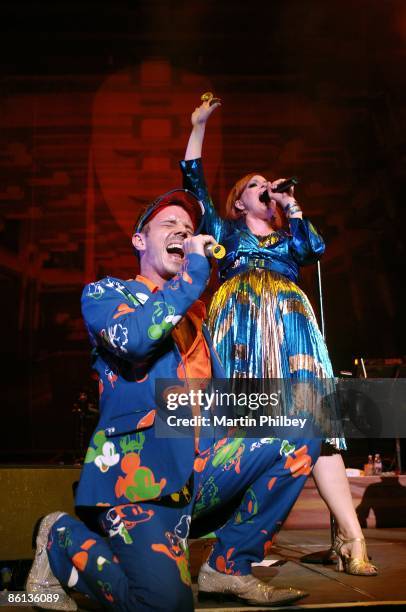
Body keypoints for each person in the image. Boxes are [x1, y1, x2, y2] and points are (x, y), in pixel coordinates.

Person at [26, 188, 321, 611]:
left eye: (188, 228)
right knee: (165, 606)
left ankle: (228, 566)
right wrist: (191, 280)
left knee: (304, 423)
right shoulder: (107, 294)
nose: (183, 233)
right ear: (140, 241)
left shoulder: (196, 318)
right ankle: (60, 537)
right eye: (170, 225)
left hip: (202, 469)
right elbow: (135, 342)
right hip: (142, 480)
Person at [180, 98, 377, 577]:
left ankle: (352, 539)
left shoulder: (290, 234)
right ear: (238, 200)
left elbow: (315, 248)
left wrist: (292, 205)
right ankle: (239, 541)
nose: (266, 189)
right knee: (249, 426)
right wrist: (199, 126)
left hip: (290, 324)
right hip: (240, 326)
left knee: (316, 420)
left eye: (270, 185)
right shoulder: (222, 227)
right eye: (256, 186)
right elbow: (192, 178)